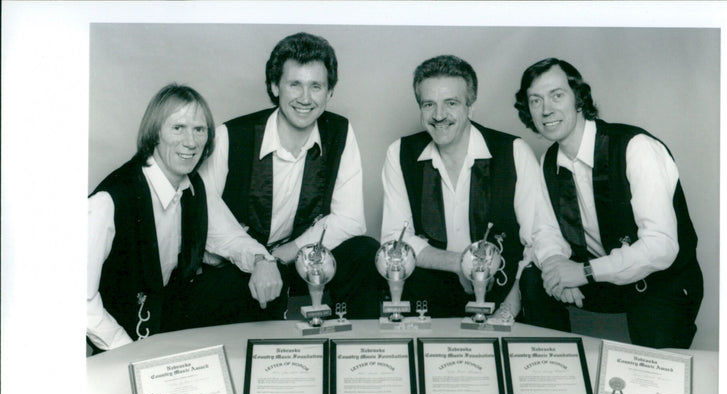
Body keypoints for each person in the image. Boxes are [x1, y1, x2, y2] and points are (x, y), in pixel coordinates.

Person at [515, 58, 703, 348]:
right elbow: (545, 230)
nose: (546, 109)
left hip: (660, 282)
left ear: (579, 98)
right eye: (535, 100)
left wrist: (581, 273)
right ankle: (551, 374)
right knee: (533, 278)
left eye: (557, 95)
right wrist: (556, 267)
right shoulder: (548, 162)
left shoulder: (635, 147)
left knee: (653, 375)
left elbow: (661, 247)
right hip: (602, 281)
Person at [199, 32, 382, 319]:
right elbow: (204, 213)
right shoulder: (232, 136)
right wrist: (258, 259)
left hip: (300, 258)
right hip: (241, 263)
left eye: (316, 86)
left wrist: (282, 256)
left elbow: (350, 220)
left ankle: (359, 353)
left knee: (364, 252)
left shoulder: (340, 133)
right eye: (295, 84)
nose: (305, 99)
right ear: (275, 87)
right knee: (226, 293)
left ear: (330, 92)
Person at [87, 84, 281, 351]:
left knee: (254, 278)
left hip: (166, 319)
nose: (190, 142)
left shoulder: (194, 187)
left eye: (199, 130)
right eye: (178, 128)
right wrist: (126, 350)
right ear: (155, 133)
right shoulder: (109, 200)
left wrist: (263, 260)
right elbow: (80, 300)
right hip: (124, 334)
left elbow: (232, 239)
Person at [381, 55, 546, 318]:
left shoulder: (513, 151)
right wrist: (460, 264)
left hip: (501, 289)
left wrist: (512, 300)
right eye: (428, 104)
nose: (438, 116)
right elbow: (395, 240)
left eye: (451, 103)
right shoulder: (399, 153)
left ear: (471, 107)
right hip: (429, 293)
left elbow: (538, 239)